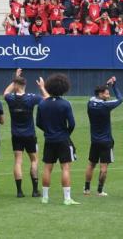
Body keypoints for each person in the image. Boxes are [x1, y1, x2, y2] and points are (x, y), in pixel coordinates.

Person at [3, 69, 47, 197]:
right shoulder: (31, 98)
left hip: (16, 135)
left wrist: (15, 79)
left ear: (16, 85)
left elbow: (5, 92)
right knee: (34, 160)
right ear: (25, 85)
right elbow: (47, 99)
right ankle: (34, 190)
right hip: (29, 135)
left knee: (18, 161)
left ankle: (19, 191)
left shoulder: (11, 98)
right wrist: (42, 87)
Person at [36, 74, 79, 205]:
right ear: (64, 88)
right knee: (65, 168)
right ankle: (67, 198)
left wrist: (48, 131)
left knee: (47, 168)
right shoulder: (66, 104)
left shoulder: (42, 104)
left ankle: (45, 197)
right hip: (63, 140)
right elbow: (71, 124)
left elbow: (38, 123)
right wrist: (66, 133)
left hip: (49, 140)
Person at [84, 76, 122, 196]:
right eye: (107, 93)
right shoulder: (106, 106)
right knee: (104, 168)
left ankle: (86, 189)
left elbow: (96, 95)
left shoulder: (90, 102)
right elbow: (120, 99)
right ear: (100, 94)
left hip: (94, 141)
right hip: (106, 141)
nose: (108, 95)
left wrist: (107, 84)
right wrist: (114, 85)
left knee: (91, 164)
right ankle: (100, 191)